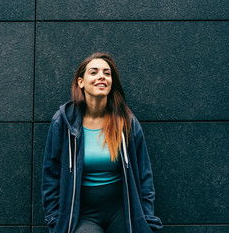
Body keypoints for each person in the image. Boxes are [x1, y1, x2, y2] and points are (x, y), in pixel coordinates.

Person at [41, 52, 163, 233]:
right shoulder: (64, 121)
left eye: (107, 73)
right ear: (80, 82)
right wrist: (55, 219)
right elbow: (50, 173)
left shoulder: (126, 121)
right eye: (94, 72)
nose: (101, 77)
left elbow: (145, 175)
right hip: (81, 214)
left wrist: (147, 218)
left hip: (123, 212)